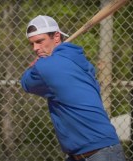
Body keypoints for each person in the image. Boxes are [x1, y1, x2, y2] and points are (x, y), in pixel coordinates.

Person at [21, 15, 126, 161]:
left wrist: (35, 66)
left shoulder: (47, 66)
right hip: (96, 150)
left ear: (56, 36)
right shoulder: (78, 59)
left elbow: (26, 83)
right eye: (32, 44)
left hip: (99, 154)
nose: (35, 48)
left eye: (39, 41)